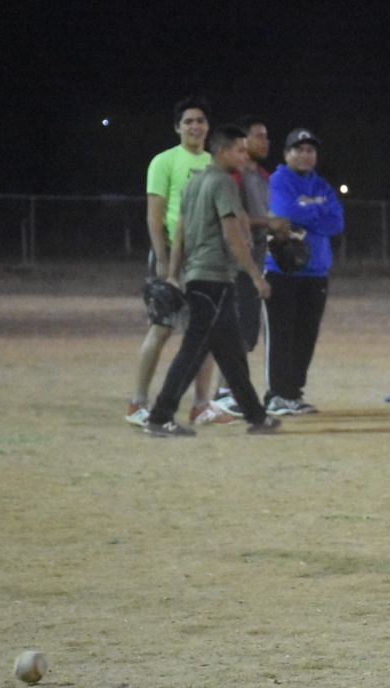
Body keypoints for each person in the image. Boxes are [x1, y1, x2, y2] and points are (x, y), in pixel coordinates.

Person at [143, 125, 281, 437]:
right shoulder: (222, 183)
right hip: (214, 278)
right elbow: (232, 234)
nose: (245, 156)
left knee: (231, 354)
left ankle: (256, 416)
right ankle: (160, 415)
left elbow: (179, 232)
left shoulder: (195, 183)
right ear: (223, 152)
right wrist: (256, 276)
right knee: (192, 352)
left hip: (198, 276)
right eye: (240, 150)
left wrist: (174, 274)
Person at [126, 96, 232, 428]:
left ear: (208, 127)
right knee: (162, 328)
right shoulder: (164, 162)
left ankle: (202, 405)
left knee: (205, 333)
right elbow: (154, 215)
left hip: (204, 257)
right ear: (177, 127)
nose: (195, 126)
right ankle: (137, 402)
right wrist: (162, 259)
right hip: (172, 253)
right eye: (188, 121)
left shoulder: (214, 164)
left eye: (200, 121)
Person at [258, 127, 343, 416]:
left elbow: (337, 222)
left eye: (310, 150)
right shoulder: (279, 180)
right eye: (299, 149)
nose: (306, 155)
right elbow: (285, 211)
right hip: (282, 271)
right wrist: (315, 214)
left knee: (305, 336)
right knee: (280, 335)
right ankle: (275, 395)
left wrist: (305, 217)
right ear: (286, 154)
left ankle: (293, 393)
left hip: (316, 272)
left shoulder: (321, 184)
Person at [213, 116, 282, 409]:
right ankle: (224, 393)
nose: (265, 141)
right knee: (242, 332)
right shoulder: (235, 177)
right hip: (237, 264)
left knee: (246, 333)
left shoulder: (263, 176)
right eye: (258, 136)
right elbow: (233, 219)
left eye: (267, 136)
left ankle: (224, 391)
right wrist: (269, 223)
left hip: (254, 260)